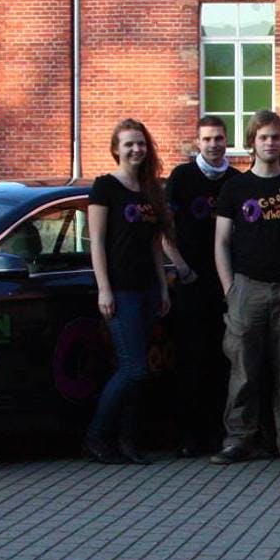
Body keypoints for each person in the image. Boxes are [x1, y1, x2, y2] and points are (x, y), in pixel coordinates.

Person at [211, 110, 280, 465]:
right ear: (252, 142)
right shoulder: (235, 187)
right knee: (243, 367)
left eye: (276, 137)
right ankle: (239, 439)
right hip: (247, 287)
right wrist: (229, 288)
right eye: (264, 137)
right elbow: (221, 242)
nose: (270, 143)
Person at [85, 118, 191, 465]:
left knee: (139, 369)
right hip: (120, 290)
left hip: (147, 289)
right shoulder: (104, 187)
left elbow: (153, 245)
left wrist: (162, 286)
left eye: (141, 144)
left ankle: (128, 441)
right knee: (133, 369)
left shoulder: (150, 190)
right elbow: (97, 243)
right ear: (116, 149)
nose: (136, 149)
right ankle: (97, 437)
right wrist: (104, 289)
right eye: (129, 144)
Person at [165, 114, 236, 457]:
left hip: (226, 285)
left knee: (223, 360)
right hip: (191, 283)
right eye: (207, 139)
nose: (213, 144)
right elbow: (163, 228)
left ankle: (217, 431)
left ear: (227, 140)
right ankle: (189, 435)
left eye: (219, 138)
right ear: (197, 142)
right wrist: (181, 267)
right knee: (191, 359)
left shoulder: (236, 180)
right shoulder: (181, 177)